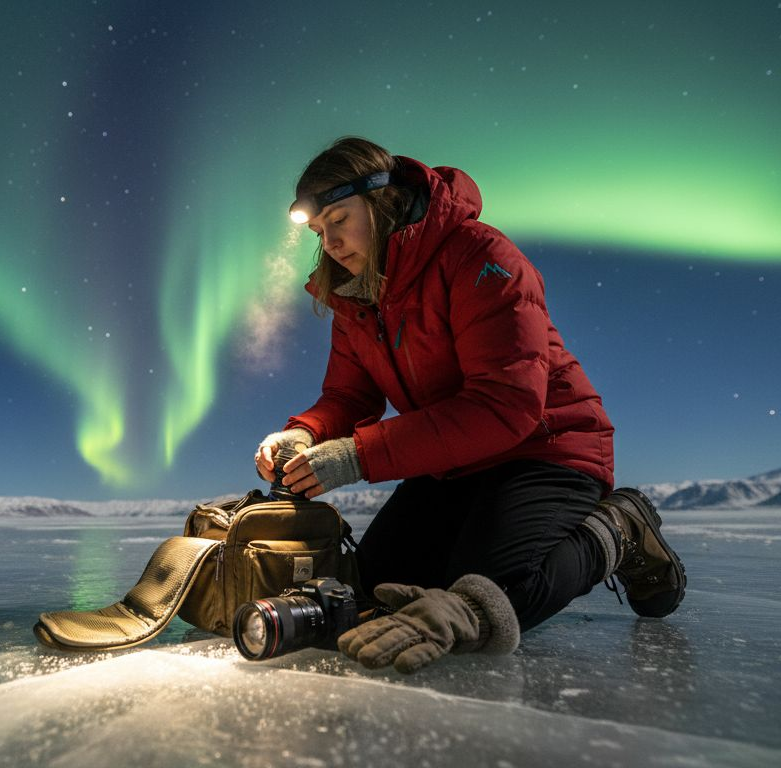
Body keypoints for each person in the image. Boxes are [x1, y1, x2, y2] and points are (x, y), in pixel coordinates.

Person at [255, 137, 686, 674]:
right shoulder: (357, 297)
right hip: (454, 463)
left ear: (383, 201)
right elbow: (350, 395)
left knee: (494, 592)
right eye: (320, 232)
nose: (332, 242)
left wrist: (357, 457)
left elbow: (506, 404)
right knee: (369, 590)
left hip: (546, 449)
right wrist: (305, 434)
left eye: (340, 218)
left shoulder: (480, 257)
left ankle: (620, 528)